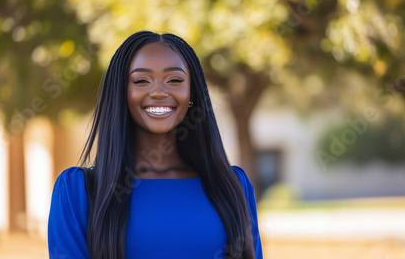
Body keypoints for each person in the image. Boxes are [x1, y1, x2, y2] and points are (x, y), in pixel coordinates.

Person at [47, 31, 263, 259]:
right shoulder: (77, 191)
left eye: (174, 80)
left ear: (191, 94)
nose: (159, 92)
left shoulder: (232, 185)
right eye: (141, 81)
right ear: (122, 93)